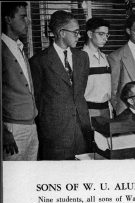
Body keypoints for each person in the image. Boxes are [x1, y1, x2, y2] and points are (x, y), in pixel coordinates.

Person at [30, 10, 92, 160]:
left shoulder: (82, 57)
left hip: (82, 128)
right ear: (62, 32)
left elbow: (79, 91)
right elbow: (37, 99)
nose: (79, 36)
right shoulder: (39, 61)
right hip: (55, 132)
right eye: (75, 32)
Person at [2, 1, 38, 160]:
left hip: (31, 126)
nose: (28, 21)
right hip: (12, 129)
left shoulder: (19, 48)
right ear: (8, 19)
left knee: (30, 178)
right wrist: (3, 132)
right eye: (23, 17)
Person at [83, 17, 112, 119]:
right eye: (101, 34)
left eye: (107, 35)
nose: (105, 38)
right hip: (88, 110)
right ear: (90, 34)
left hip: (106, 109)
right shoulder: (80, 58)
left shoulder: (105, 58)